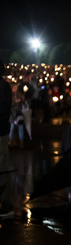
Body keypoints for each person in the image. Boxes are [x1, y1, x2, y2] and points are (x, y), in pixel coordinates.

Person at [0, 59, 14, 217]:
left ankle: (6, 204)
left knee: (1, 167)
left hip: (0, 132)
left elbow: (2, 109)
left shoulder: (4, 87)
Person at [8, 84, 25, 148]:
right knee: (12, 128)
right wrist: (15, 102)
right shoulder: (9, 95)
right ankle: (11, 142)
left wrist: (22, 100)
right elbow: (8, 104)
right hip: (12, 113)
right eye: (14, 87)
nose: (15, 89)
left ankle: (21, 142)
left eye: (16, 87)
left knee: (20, 127)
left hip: (18, 113)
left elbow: (23, 103)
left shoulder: (19, 94)